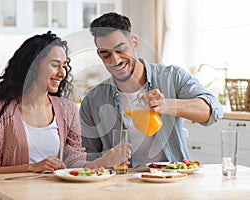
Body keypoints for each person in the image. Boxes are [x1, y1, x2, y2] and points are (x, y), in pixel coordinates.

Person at [0, 31, 130, 200]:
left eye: (64, 65)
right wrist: (32, 167)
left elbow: (74, 163)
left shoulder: (67, 109)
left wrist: (103, 162)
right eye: (55, 65)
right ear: (32, 66)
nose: (62, 73)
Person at [79, 12, 224, 168]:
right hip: (121, 187)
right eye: (105, 54)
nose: (115, 60)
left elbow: (213, 111)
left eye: (120, 50)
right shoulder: (93, 100)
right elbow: (86, 159)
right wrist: (104, 161)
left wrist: (166, 105)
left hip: (172, 180)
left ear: (134, 42)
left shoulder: (172, 77)